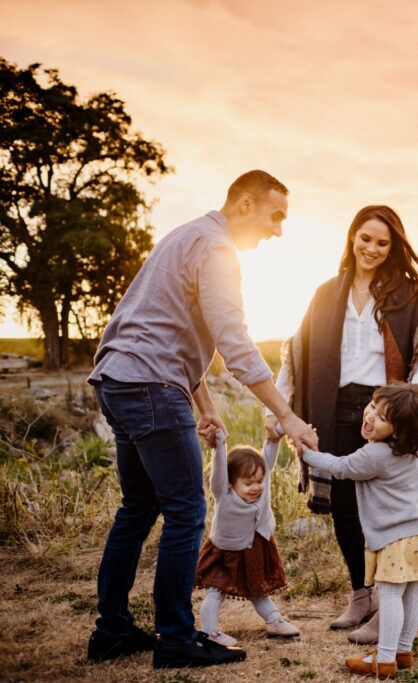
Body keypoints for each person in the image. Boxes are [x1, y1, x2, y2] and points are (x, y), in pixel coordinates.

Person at [86, 170, 319, 669]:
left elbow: (170, 332)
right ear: (244, 203)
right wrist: (289, 417)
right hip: (149, 385)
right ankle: (176, 637)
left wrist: (207, 410)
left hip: (118, 380)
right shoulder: (216, 250)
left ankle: (112, 631)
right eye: (274, 215)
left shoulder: (185, 235)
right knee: (188, 512)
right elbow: (234, 345)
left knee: (138, 507)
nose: (278, 229)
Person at [265, 205, 418, 645]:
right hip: (335, 406)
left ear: (393, 247)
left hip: (386, 408)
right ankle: (361, 595)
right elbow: (296, 351)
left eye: (383, 242)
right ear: (352, 238)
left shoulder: (405, 297)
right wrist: (279, 408)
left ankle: (387, 601)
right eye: (366, 238)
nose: (372, 249)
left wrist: (417, 402)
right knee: (345, 505)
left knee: (382, 506)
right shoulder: (326, 293)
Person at [301, 383, 418, 678]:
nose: (370, 416)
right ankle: (403, 651)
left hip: (397, 537)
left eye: (382, 417)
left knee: (389, 594)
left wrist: (307, 454)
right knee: (413, 590)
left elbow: (340, 467)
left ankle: (384, 659)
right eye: (372, 406)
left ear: (398, 430)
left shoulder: (375, 456)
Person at [195, 432, 301, 645]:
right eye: (248, 483)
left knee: (257, 589)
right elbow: (218, 473)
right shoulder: (223, 494)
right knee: (216, 591)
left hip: (255, 548)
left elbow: (267, 460)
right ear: (231, 482)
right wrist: (220, 445)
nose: (256, 487)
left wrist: (273, 438)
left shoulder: (262, 490)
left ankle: (274, 620)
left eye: (259, 481)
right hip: (225, 551)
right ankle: (210, 632)